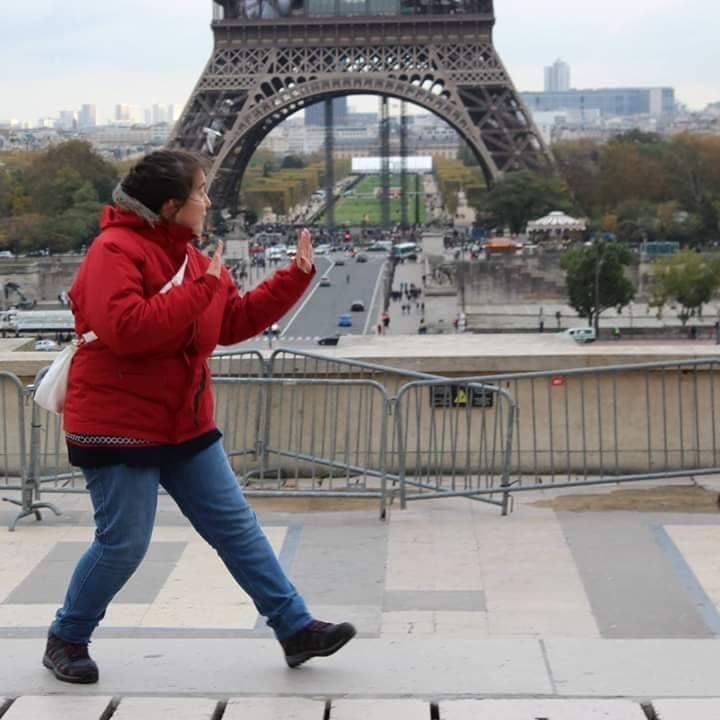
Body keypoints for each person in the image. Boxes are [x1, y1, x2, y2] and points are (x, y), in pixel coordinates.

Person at [42, 150, 356, 685]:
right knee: (124, 544)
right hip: (118, 422)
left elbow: (230, 322)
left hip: (182, 419)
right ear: (170, 205)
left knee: (237, 529)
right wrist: (204, 288)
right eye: (200, 192)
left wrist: (292, 279)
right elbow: (127, 329)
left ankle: (295, 628)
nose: (208, 201)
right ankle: (67, 636)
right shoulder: (112, 251)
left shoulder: (193, 258)